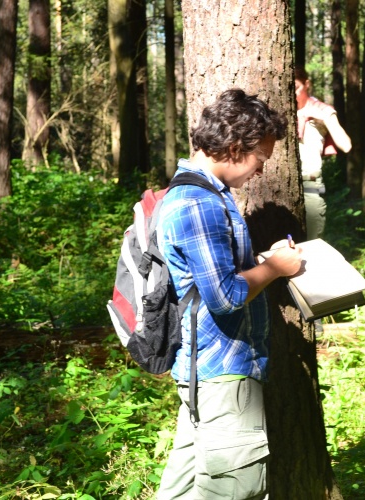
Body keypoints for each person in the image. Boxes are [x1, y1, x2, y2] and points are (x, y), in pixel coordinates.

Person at [155, 88, 303, 499]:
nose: (260, 172)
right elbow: (223, 296)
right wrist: (274, 269)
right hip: (223, 371)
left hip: (207, 370)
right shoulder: (199, 203)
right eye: (260, 160)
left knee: (183, 490)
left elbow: (212, 274)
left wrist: (259, 260)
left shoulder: (198, 194)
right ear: (236, 148)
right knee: (235, 490)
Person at [295, 66, 352, 240]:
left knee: (309, 247)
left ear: (307, 84)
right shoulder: (279, 106)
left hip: (309, 186)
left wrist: (325, 121)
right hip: (279, 188)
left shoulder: (321, 110)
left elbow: (346, 145)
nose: (293, 94)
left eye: (296, 88)